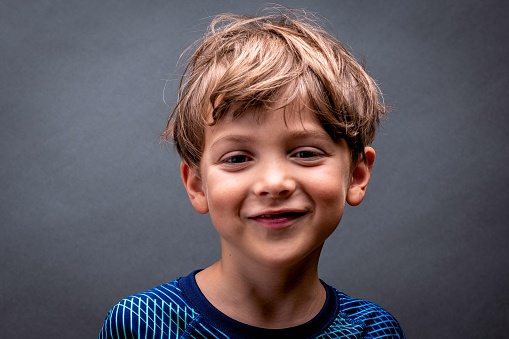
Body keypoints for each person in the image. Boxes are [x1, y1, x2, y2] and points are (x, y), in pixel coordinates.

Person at [99, 7, 405, 339]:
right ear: (197, 185)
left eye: (305, 153)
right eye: (237, 158)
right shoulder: (142, 325)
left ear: (356, 176)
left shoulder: (373, 332)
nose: (273, 183)